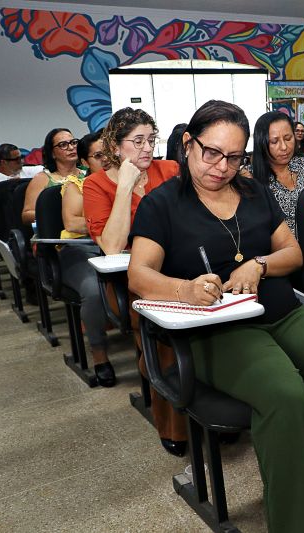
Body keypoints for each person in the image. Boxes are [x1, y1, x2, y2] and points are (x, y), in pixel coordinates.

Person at [128, 99, 304, 533]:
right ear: (188, 144)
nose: (221, 167)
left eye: (234, 157)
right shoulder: (162, 203)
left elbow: (293, 252)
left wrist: (259, 264)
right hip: (217, 329)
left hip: (280, 312)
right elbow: (138, 274)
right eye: (211, 153)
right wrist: (185, 289)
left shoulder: (253, 191)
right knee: (288, 395)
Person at [83, 107, 185, 455]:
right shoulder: (96, 184)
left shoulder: (169, 170)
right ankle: (175, 424)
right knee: (164, 336)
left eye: (151, 140)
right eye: (137, 141)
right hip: (127, 281)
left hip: (178, 268)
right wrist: (125, 186)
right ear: (115, 145)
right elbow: (111, 246)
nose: (146, 148)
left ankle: (210, 404)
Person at [57, 130, 116, 386]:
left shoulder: (123, 182)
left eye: (110, 154)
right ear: (84, 162)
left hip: (115, 248)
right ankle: (100, 355)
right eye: (98, 155)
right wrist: (110, 220)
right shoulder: (76, 185)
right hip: (80, 249)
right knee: (93, 289)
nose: (106, 160)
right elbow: (72, 222)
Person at [251, 112, 304, 238]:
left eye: (288, 138)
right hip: (280, 253)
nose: (284, 147)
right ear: (261, 142)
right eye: (274, 141)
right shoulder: (251, 177)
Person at [22, 128, 83, 224]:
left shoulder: (89, 174)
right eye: (63, 145)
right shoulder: (42, 179)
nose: (71, 147)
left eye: (73, 142)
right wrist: (61, 214)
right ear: (52, 153)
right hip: (53, 233)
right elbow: (26, 215)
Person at [0, 144, 43, 223]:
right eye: (17, 159)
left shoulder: (26, 170)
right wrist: (7, 186)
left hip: (23, 218)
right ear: (3, 162)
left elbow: (46, 170)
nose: (22, 161)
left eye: (21, 157)